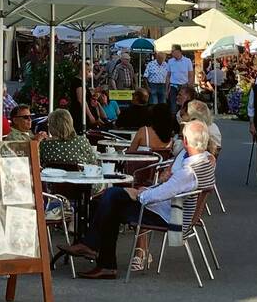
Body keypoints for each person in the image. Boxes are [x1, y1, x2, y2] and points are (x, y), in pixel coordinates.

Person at [60, 119, 213, 279]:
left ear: (186, 141)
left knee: (110, 201)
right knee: (110, 200)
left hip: (170, 216)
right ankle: (97, 254)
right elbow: (167, 190)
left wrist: (139, 194)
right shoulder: (206, 161)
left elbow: (162, 193)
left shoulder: (188, 172)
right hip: (177, 212)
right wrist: (144, 191)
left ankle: (98, 254)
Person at [166, 46, 192, 111]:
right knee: (173, 106)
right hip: (173, 86)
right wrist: (166, 89)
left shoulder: (187, 61)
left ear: (179, 51)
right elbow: (168, 76)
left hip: (184, 86)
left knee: (184, 105)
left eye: (173, 51)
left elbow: (190, 75)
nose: (171, 53)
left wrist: (189, 86)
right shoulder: (170, 61)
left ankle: (182, 117)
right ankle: (174, 116)